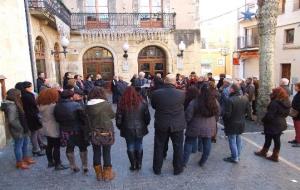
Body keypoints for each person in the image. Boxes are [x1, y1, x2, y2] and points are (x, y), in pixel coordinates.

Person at [151, 74, 186, 175]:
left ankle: (157, 169)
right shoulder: (182, 93)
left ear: (165, 81)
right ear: (175, 82)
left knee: (159, 146)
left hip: (162, 123)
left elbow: (153, 106)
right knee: (178, 147)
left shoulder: (156, 93)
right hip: (177, 124)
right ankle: (178, 169)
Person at [183, 84, 220, 167]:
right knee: (207, 144)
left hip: (194, 126)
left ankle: (184, 162)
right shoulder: (214, 101)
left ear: (200, 91)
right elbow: (218, 113)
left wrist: (187, 123)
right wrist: (214, 121)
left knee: (188, 143)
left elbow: (188, 115)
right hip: (209, 126)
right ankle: (203, 161)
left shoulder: (195, 101)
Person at [54, 90, 89, 173]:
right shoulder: (76, 105)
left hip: (65, 130)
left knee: (69, 148)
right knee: (82, 147)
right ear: (70, 96)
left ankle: (72, 166)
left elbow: (56, 118)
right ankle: (84, 166)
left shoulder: (57, 106)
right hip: (77, 129)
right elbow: (83, 117)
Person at [116, 87, 150, 171]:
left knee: (130, 145)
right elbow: (147, 118)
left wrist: (121, 127)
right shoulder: (142, 102)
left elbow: (118, 120)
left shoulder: (122, 104)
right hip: (140, 128)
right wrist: (144, 125)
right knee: (139, 144)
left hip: (127, 128)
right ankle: (139, 164)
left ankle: (133, 165)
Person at [85, 87, 116, 181]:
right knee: (107, 152)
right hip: (106, 131)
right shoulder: (106, 104)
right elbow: (112, 115)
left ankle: (98, 174)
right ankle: (107, 175)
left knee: (96, 152)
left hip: (94, 132)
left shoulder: (87, 105)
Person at [1, 89, 36, 169]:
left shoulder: (15, 104)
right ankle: (19, 162)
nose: (20, 96)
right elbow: (12, 120)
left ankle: (25, 158)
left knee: (25, 143)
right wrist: (20, 128)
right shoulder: (11, 106)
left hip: (22, 127)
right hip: (18, 129)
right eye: (19, 95)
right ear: (15, 96)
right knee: (18, 145)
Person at [254, 87, 291, 161]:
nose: (271, 93)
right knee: (277, 140)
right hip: (281, 123)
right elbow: (287, 114)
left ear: (276, 93)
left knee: (268, 138)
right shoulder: (287, 101)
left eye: (273, 92)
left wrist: (263, 120)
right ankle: (274, 155)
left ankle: (265, 152)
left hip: (272, 124)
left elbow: (269, 116)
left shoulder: (274, 103)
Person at [37, 88, 68, 170]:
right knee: (56, 146)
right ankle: (58, 164)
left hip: (45, 127)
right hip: (54, 127)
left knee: (49, 145)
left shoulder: (41, 105)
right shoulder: (53, 106)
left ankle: (50, 162)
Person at [223, 83, 249, 163]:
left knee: (232, 140)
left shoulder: (230, 100)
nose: (228, 89)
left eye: (230, 88)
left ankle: (235, 157)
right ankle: (237, 155)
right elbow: (247, 111)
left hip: (232, 123)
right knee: (238, 139)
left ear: (232, 89)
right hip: (241, 122)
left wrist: (224, 119)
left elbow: (227, 114)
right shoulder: (245, 98)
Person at [21, 81, 45, 156]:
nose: (31, 88)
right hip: (32, 116)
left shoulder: (25, 95)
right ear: (26, 88)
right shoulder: (27, 96)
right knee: (34, 133)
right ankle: (36, 149)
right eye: (30, 86)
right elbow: (34, 104)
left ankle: (39, 145)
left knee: (36, 132)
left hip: (31, 115)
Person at [289, 82, 300, 147]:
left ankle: (299, 141)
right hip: (296, 114)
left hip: (298, 115)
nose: (294, 87)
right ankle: (296, 139)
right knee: (296, 128)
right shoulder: (298, 93)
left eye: (296, 86)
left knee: (299, 128)